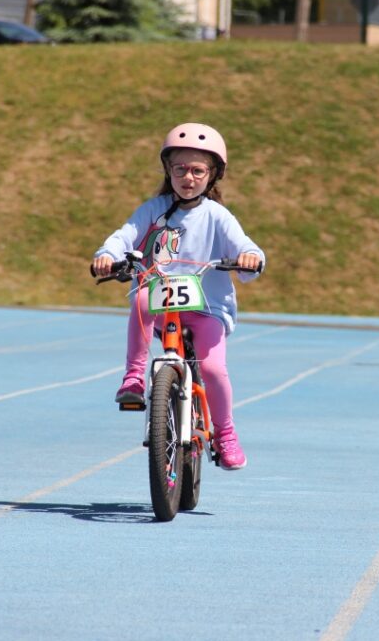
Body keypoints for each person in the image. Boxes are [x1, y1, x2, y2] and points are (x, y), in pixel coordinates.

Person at [92, 123, 265, 470]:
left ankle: (226, 433)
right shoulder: (153, 209)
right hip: (161, 300)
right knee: (140, 298)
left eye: (198, 170)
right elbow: (122, 237)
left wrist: (250, 258)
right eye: (180, 169)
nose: (188, 177)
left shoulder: (217, 215)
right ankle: (133, 377)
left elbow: (245, 246)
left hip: (207, 309)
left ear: (213, 175)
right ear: (168, 171)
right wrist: (107, 256)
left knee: (214, 369)